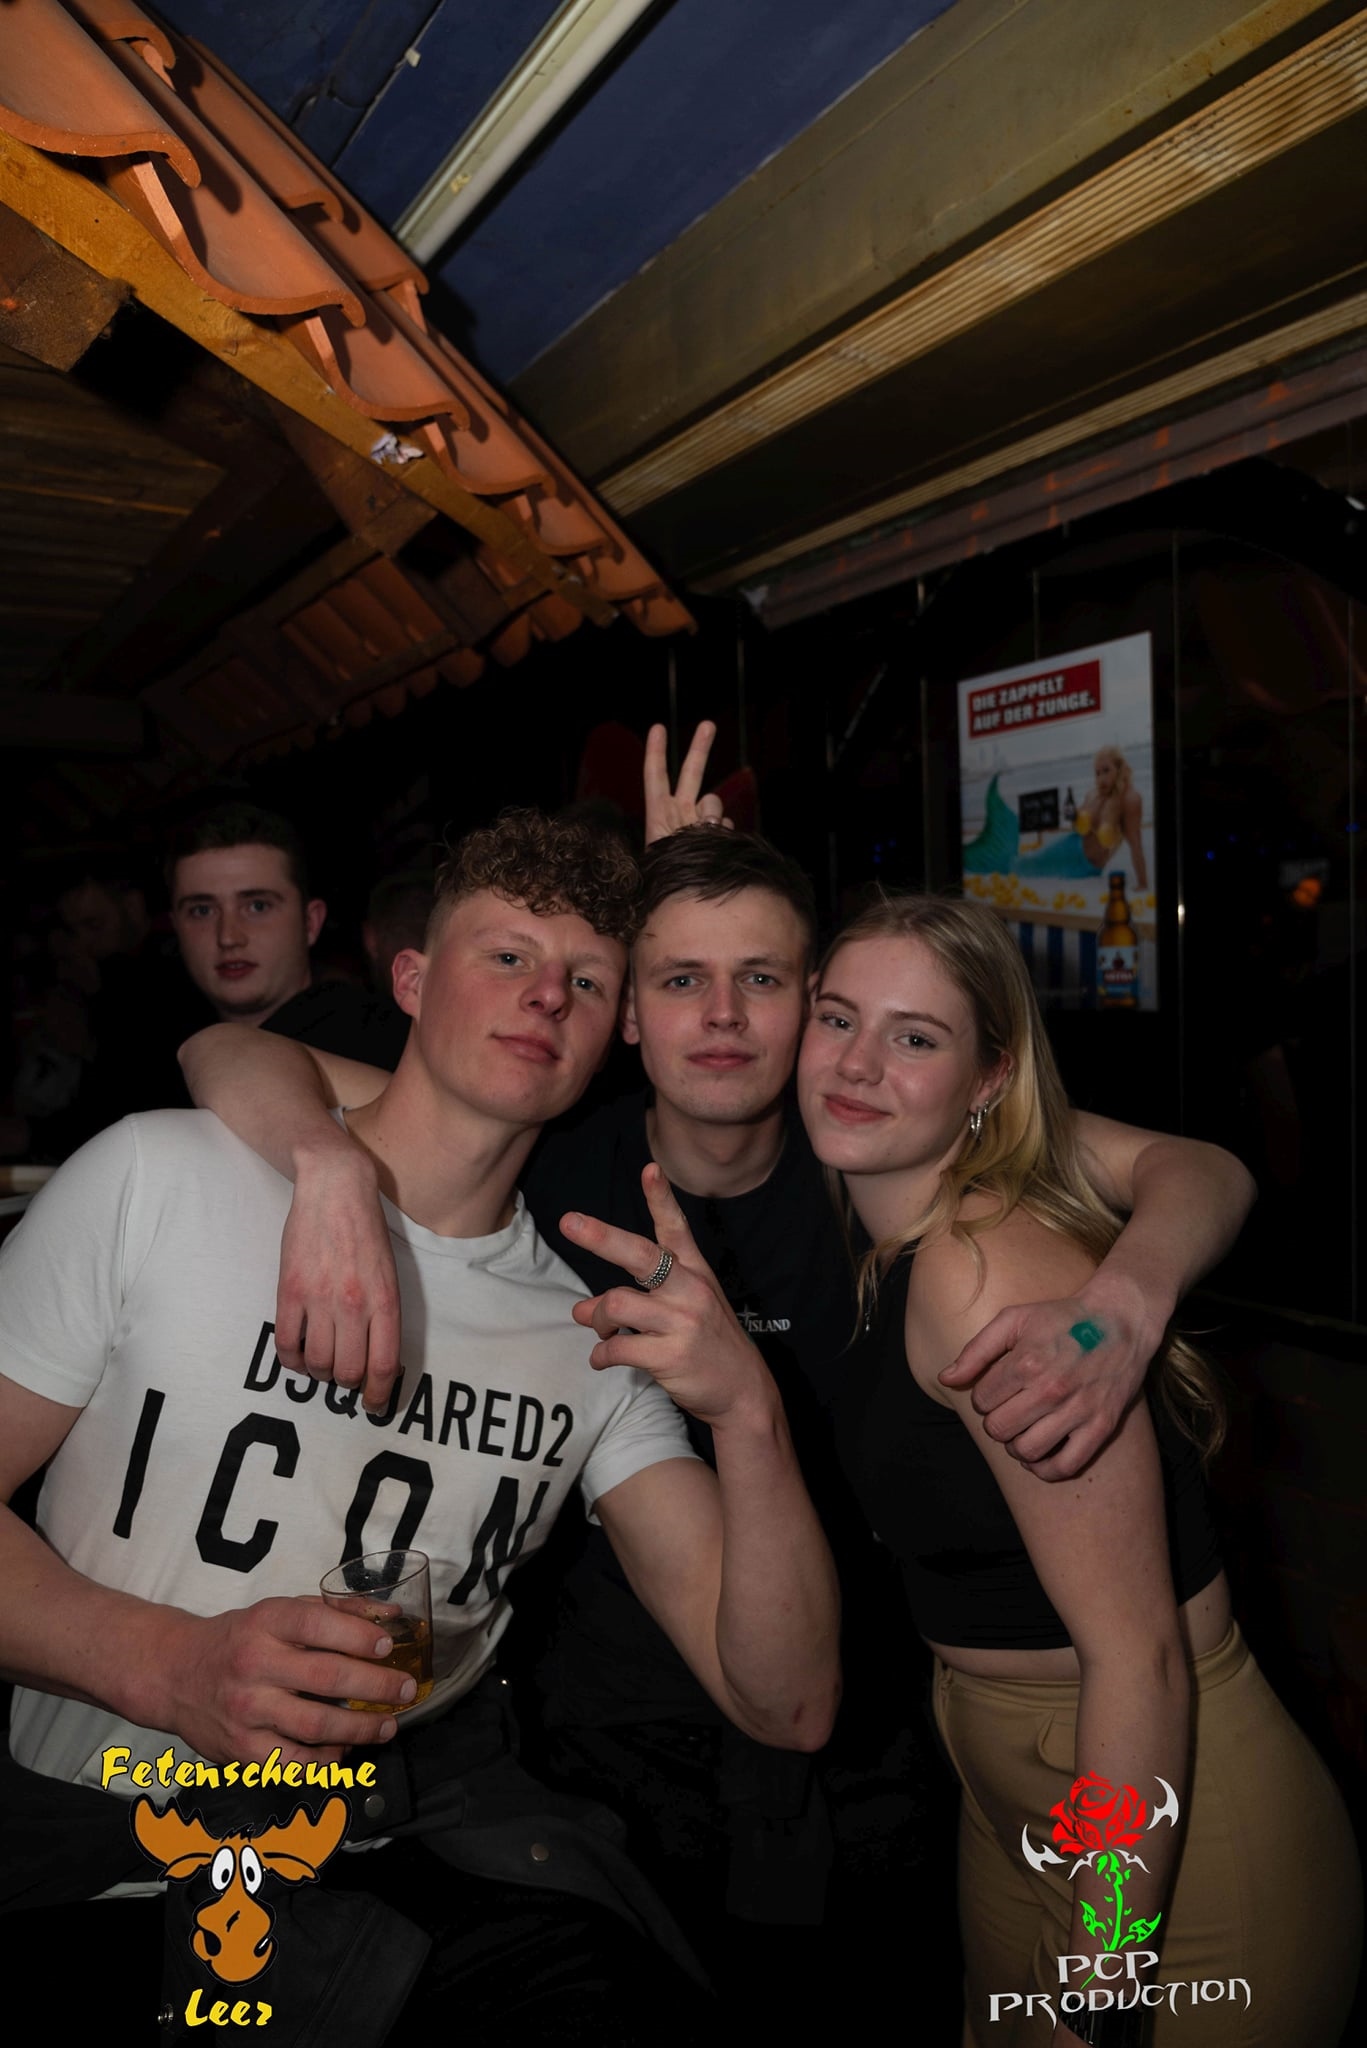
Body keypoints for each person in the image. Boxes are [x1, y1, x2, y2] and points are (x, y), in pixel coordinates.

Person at [0, 809, 839, 2041]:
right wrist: (168, 1664)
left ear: (612, 1028)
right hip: (101, 1848)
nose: (544, 992)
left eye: (585, 979)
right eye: (505, 955)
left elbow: (786, 1702)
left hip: (409, 1860)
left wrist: (749, 1412)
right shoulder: (157, 1178)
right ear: (407, 979)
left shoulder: (585, 1321)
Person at [803, 892, 1359, 2047]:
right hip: (1007, 1786)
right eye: (836, 1016)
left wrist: (1097, 1985)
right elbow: (1196, 1165)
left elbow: (1136, 1658)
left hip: (1159, 1815)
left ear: (987, 1077)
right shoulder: (879, 1196)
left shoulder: (977, 1269)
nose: (855, 1062)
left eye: (914, 1036)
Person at [167, 801, 409, 1066]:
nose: (228, 937)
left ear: (311, 923)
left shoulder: (391, 1045)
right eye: (202, 911)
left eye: (258, 906)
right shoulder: (161, 1059)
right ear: (176, 927)